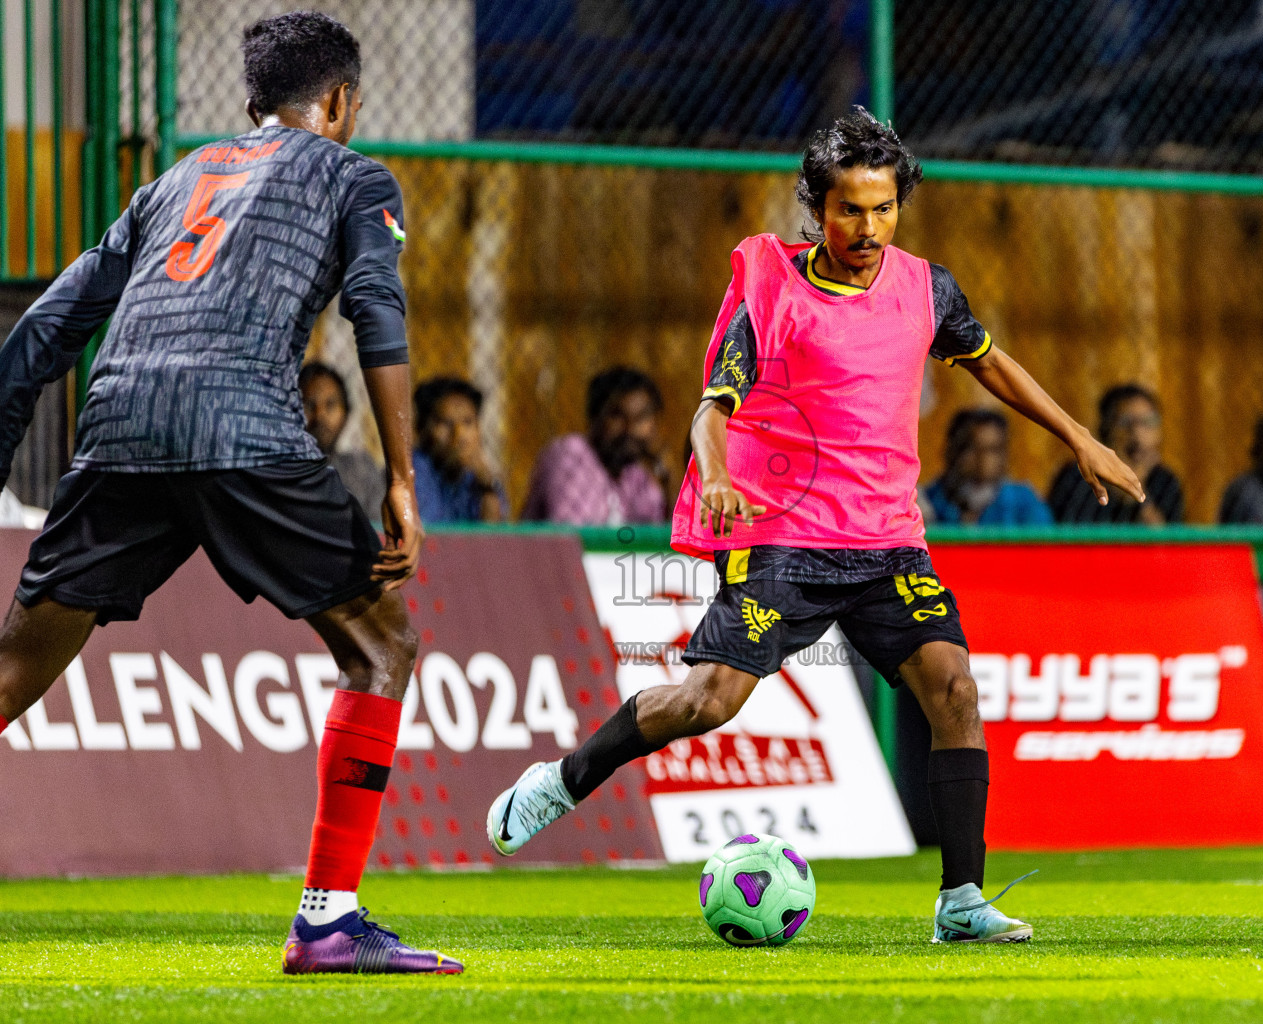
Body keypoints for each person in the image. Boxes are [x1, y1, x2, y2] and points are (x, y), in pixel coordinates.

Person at [484, 108, 1144, 944]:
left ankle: (962, 901)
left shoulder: (925, 287)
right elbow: (710, 409)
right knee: (706, 702)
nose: (867, 229)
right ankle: (565, 778)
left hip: (885, 542)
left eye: (882, 208)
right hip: (782, 540)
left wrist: (1079, 437)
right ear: (816, 207)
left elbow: (990, 361)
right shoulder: (770, 289)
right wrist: (717, 474)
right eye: (848, 210)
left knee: (954, 690)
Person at [0, 12, 459, 974]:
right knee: (383, 644)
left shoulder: (171, 183)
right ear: (338, 104)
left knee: (11, 673)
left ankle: (333, 922)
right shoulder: (355, 177)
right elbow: (377, 305)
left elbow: (47, 325)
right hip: (242, 424)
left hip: (119, 426)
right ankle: (329, 922)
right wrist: (405, 479)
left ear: (251, 103)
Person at [521, 366, 669, 525]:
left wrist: (669, 477)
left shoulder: (634, 473)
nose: (630, 429)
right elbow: (574, 535)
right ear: (594, 418)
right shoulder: (571, 455)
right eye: (617, 416)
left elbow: (668, 536)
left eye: (641, 418)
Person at [1048, 383, 1183, 524]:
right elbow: (1066, 536)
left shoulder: (1165, 481)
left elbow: (1163, 541)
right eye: (1126, 422)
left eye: (1147, 422)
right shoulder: (1076, 476)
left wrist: (1138, 492)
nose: (1137, 434)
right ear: (1105, 431)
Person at [924, 408, 1052, 526]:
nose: (982, 458)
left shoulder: (1024, 504)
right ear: (950, 451)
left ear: (1004, 455)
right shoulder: (928, 502)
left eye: (992, 449)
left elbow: (1045, 546)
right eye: (970, 447)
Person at [412, 376, 507, 524]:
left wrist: (487, 489)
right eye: (446, 423)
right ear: (421, 428)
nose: (459, 435)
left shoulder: (481, 477)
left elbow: (493, 540)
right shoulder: (414, 469)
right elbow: (429, 533)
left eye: (467, 422)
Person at [300, 361, 386, 517]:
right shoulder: (281, 471)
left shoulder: (361, 469)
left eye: (330, 405)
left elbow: (377, 528)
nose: (320, 416)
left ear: (345, 414)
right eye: (309, 405)